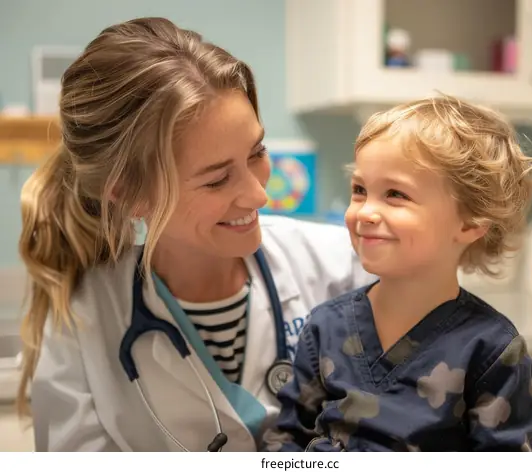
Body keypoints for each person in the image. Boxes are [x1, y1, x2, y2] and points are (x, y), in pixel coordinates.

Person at [16, 17, 374, 452]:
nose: (259, 195)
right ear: (130, 193)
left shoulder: (343, 269)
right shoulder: (85, 316)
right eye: (217, 179)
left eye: (257, 153)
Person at [262, 95, 532, 452]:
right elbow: (285, 441)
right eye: (360, 190)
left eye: (395, 194)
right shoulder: (324, 328)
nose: (365, 212)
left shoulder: (491, 351)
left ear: (470, 223)